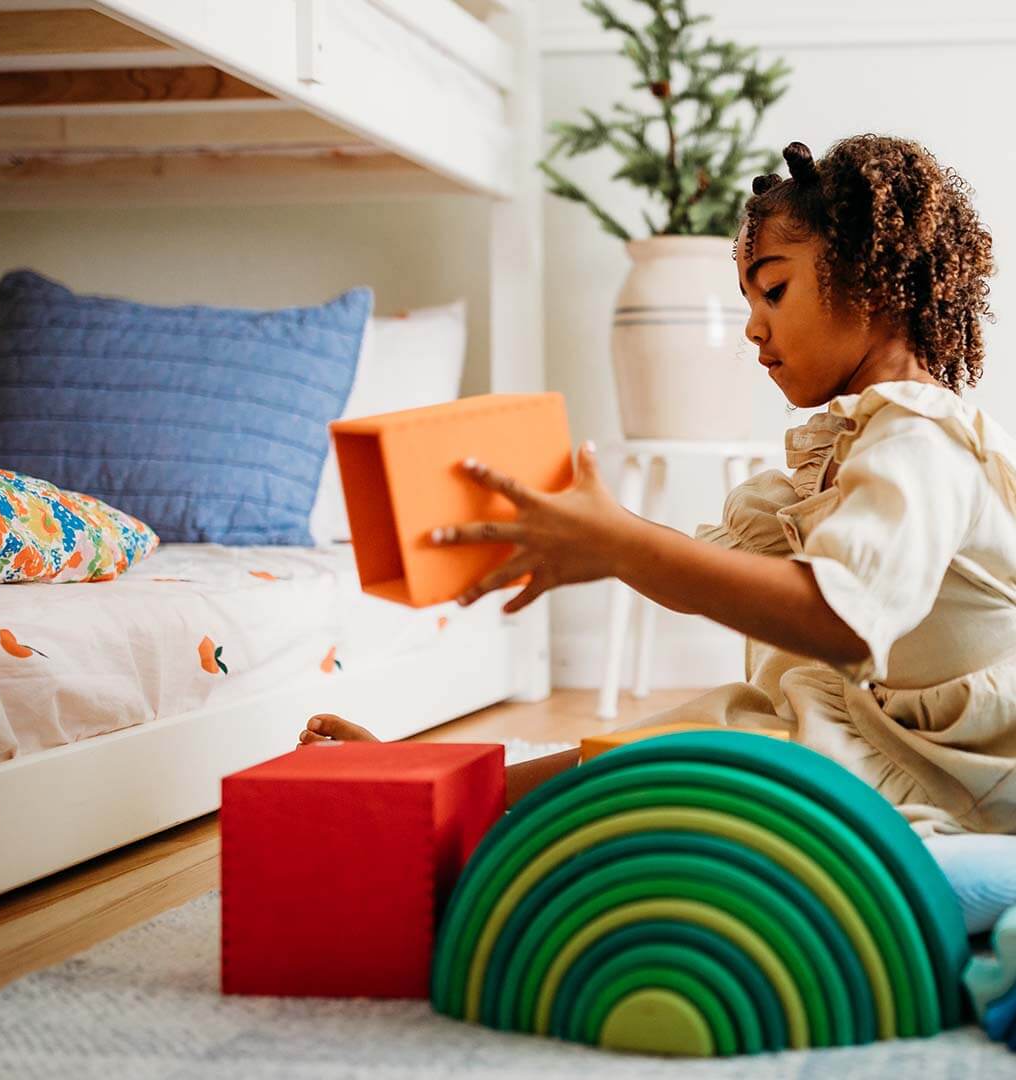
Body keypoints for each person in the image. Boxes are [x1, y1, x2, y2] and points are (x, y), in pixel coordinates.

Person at [300, 135, 1016, 930]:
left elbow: (837, 619)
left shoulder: (920, 444)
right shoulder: (843, 453)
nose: (752, 328)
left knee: (727, 786)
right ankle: (450, 794)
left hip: (973, 777)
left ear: (871, 287)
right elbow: (708, 567)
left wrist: (617, 544)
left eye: (772, 293)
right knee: (717, 722)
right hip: (894, 741)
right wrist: (597, 542)